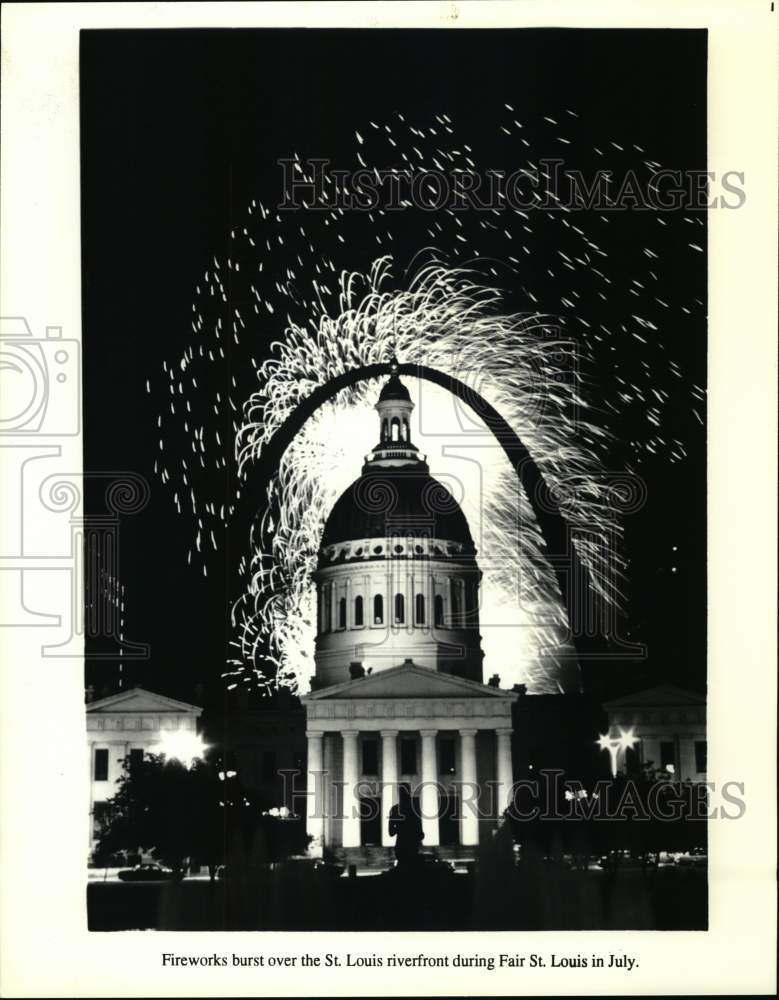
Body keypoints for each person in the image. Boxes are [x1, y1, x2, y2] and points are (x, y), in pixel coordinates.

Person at [388, 786, 423, 870]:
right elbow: (421, 835)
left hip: (401, 848)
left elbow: (391, 832)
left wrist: (400, 827)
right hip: (412, 848)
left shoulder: (395, 809)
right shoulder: (414, 809)